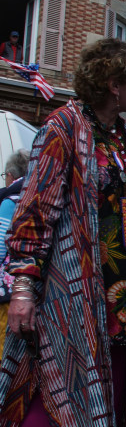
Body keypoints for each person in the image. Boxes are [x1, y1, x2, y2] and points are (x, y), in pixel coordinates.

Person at [0, 38, 126, 427]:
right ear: (113, 85)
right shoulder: (62, 126)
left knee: (98, 405)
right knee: (55, 398)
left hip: (120, 297)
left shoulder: (123, 135)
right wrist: (22, 287)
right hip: (71, 296)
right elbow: (34, 210)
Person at [0, 149, 30, 356]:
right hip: (29, 292)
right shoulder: (35, 196)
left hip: (7, 295)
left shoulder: (10, 201)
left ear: (10, 175)